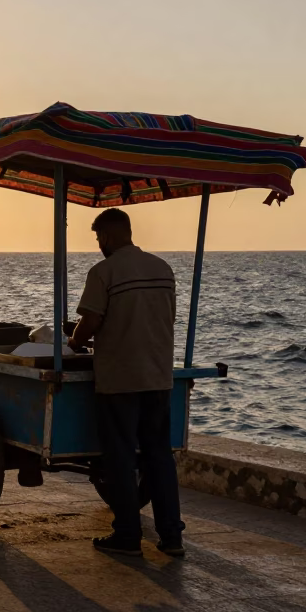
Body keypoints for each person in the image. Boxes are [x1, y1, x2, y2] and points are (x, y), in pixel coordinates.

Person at [68, 208, 183, 558]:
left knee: (119, 457)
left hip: (120, 380)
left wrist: (73, 341)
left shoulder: (104, 272)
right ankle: (172, 537)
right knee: (159, 456)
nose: (100, 245)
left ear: (111, 236)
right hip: (159, 377)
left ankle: (127, 535)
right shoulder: (163, 269)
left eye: (100, 238)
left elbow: (90, 321)